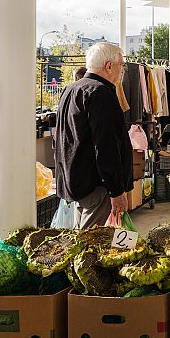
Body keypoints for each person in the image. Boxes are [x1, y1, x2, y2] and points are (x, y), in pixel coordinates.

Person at [55, 43, 132, 229]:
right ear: (109, 66)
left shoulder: (71, 89)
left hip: (75, 182)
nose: (122, 70)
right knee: (91, 247)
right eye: (121, 65)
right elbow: (106, 146)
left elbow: (61, 139)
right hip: (97, 186)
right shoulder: (101, 93)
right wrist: (116, 190)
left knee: (81, 240)